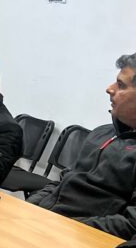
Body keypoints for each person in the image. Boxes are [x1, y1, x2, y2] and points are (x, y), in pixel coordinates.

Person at [28, 54, 136, 238]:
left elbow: (130, 225)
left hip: (79, 240)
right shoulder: (102, 132)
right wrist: (29, 206)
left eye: (121, 85)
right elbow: (63, 180)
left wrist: (63, 227)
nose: (109, 89)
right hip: (46, 225)